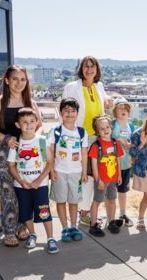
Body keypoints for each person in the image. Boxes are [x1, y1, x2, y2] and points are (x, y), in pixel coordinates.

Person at [0, 65, 43, 247]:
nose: (19, 83)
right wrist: (7, 139)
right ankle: (9, 231)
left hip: (28, 153)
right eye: (15, 79)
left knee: (24, 190)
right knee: (8, 192)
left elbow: (40, 126)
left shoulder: (31, 103)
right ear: (7, 81)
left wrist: (32, 140)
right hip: (5, 152)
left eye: (23, 79)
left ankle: (23, 227)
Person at [62, 56, 112, 226]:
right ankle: (83, 213)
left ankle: (87, 211)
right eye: (86, 66)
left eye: (92, 66)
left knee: (95, 176)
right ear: (81, 69)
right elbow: (63, 110)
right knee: (86, 177)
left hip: (98, 138)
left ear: (97, 70)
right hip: (80, 138)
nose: (89, 70)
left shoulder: (99, 86)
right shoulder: (71, 87)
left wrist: (109, 101)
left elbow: (104, 103)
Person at [6, 108, 57, 254]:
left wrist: (39, 180)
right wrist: (21, 181)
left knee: (43, 211)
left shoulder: (41, 141)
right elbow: (11, 165)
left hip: (39, 185)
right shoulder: (15, 144)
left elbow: (50, 162)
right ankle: (32, 234)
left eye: (32, 121)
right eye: (24, 122)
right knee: (25, 212)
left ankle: (50, 238)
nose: (28, 125)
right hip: (22, 186)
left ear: (37, 123)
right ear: (18, 125)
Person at [47, 97, 88, 242]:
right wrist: (51, 171)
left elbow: (84, 153)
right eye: (66, 111)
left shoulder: (82, 132)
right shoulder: (56, 131)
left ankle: (73, 227)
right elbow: (50, 152)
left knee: (74, 201)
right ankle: (64, 228)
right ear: (60, 113)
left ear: (77, 113)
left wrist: (84, 172)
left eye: (73, 111)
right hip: (59, 172)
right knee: (60, 201)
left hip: (76, 173)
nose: (69, 114)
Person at [87, 115, 124, 237]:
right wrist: (98, 180)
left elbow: (118, 160)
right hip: (101, 180)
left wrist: (119, 175)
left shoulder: (115, 143)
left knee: (112, 200)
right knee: (97, 201)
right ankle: (93, 225)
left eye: (107, 127)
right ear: (97, 131)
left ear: (111, 128)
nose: (105, 130)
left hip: (113, 179)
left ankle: (111, 221)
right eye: (102, 128)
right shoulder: (96, 146)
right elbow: (94, 165)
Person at [111, 98, 135, 227]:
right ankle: (111, 215)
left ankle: (122, 213)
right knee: (110, 191)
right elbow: (105, 138)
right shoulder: (112, 124)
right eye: (120, 108)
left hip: (125, 163)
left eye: (126, 109)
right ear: (115, 111)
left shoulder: (131, 126)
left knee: (122, 190)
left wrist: (130, 145)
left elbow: (134, 143)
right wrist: (117, 139)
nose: (123, 111)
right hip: (111, 164)